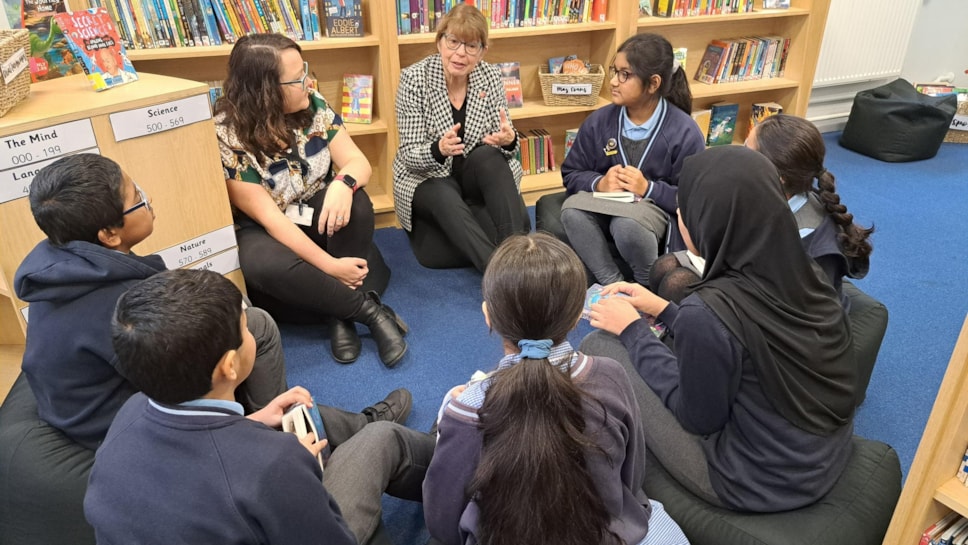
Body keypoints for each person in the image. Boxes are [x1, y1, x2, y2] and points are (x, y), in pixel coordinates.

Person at [13, 153, 409, 452]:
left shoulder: (68, 259)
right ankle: (297, 435)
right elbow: (175, 402)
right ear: (109, 234)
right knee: (251, 332)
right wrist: (245, 425)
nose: (147, 201)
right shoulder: (119, 311)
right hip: (125, 432)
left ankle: (286, 417)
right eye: (136, 199)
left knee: (257, 324)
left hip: (118, 397)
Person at [583, 146, 858, 513]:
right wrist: (664, 308)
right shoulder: (808, 273)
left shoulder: (709, 310)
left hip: (754, 482)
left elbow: (698, 418)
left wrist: (633, 330)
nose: (680, 217)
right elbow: (745, 339)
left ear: (707, 223)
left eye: (684, 211)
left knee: (600, 343)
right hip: (823, 457)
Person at [84, 269, 437, 545]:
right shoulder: (273, 464)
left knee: (306, 416)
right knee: (381, 440)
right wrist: (300, 467)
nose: (254, 330)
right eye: (245, 328)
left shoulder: (129, 413)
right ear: (229, 366)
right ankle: (451, 452)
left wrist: (253, 424)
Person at [423, 233, 689, 545]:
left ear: (488, 316)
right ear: (579, 314)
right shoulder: (610, 376)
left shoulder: (466, 411)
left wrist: (456, 412)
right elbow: (630, 477)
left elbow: (442, 521)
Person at [215, 33, 407, 367]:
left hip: (311, 209)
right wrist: (333, 267)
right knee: (261, 264)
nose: (309, 81)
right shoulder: (228, 134)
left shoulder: (314, 105)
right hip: (267, 229)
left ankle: (336, 314)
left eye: (306, 69)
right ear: (265, 92)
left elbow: (358, 162)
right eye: (298, 77)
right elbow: (273, 220)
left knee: (358, 204)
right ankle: (367, 312)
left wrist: (342, 184)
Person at [650, 114, 873, 308]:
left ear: (778, 176)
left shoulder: (808, 243)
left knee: (676, 284)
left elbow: (778, 306)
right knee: (664, 265)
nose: (737, 157)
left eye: (747, 152)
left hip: (784, 319)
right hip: (755, 285)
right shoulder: (774, 195)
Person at [392, 4, 531, 273]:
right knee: (442, 193)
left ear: (482, 51)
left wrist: (509, 140)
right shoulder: (414, 78)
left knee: (488, 156)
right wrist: (438, 149)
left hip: (472, 176)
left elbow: (504, 145)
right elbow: (408, 155)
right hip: (428, 176)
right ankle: (501, 274)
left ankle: (516, 256)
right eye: (453, 41)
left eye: (471, 46)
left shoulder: (490, 76)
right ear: (440, 41)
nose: (460, 53)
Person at [559, 33, 705, 287]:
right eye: (614, 71)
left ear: (653, 83)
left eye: (625, 75)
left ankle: (646, 284)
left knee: (628, 224)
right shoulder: (599, 121)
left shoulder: (684, 131)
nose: (614, 81)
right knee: (571, 210)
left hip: (653, 211)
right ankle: (612, 283)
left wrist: (649, 188)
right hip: (608, 203)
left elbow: (693, 199)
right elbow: (571, 172)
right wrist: (599, 183)